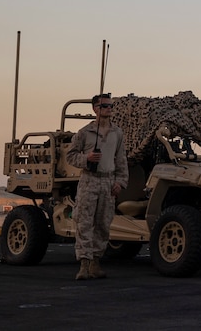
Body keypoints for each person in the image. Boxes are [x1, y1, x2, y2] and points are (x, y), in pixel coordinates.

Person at [66, 93, 128, 281]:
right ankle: (84, 264)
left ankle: (96, 262)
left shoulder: (117, 133)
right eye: (105, 106)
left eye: (111, 106)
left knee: (103, 223)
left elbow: (121, 160)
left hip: (108, 181)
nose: (109, 109)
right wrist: (87, 159)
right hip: (89, 180)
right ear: (95, 109)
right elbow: (70, 156)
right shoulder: (85, 133)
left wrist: (120, 182)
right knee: (84, 222)